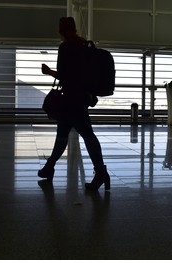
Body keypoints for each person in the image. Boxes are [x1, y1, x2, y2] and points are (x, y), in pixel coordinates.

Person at [39, 17, 110, 192]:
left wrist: (48, 72)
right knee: (62, 133)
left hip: (72, 99)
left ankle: (101, 173)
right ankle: (49, 167)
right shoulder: (85, 46)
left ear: (61, 31)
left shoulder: (66, 47)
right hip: (82, 97)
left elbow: (65, 76)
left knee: (87, 135)